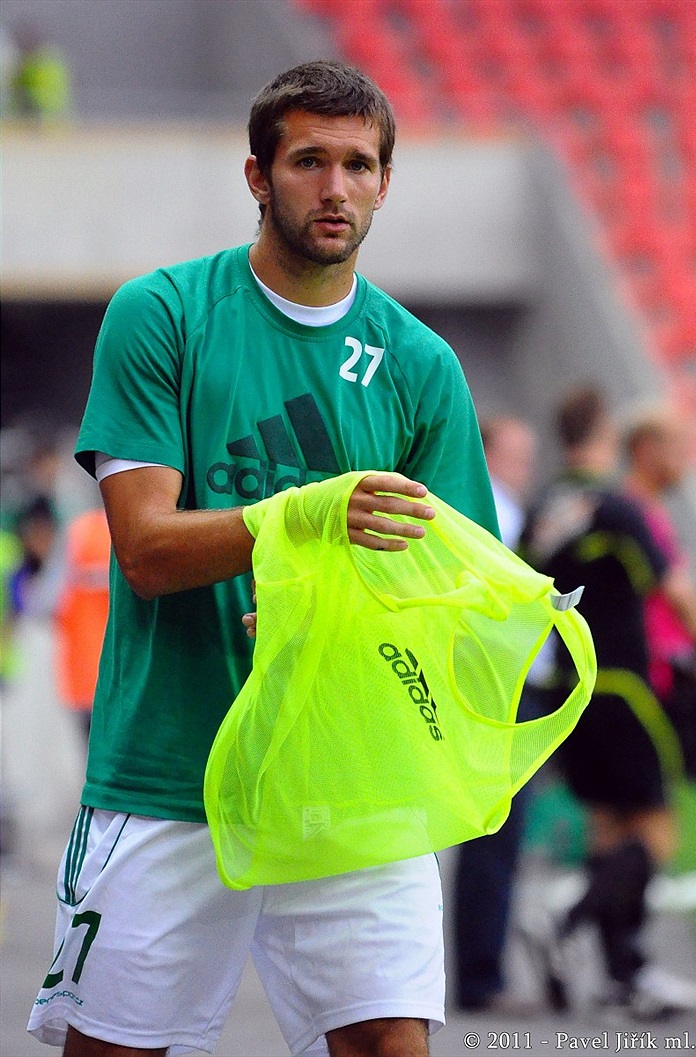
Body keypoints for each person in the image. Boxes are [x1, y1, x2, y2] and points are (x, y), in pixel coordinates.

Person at [28, 60, 499, 1057]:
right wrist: (307, 518)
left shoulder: (419, 364)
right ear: (257, 176)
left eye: (359, 165)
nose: (335, 188)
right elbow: (148, 550)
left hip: (350, 778)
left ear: (384, 183)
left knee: (387, 1046)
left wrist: (345, 620)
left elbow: (460, 590)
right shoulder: (163, 315)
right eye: (308, 161)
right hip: (172, 766)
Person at [520, 384, 696, 1018]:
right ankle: (565, 922)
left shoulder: (542, 508)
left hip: (568, 690)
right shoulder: (619, 507)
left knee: (608, 830)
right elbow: (675, 594)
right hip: (624, 683)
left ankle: (626, 975)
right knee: (657, 829)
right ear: (607, 436)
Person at [452, 414, 541, 1012]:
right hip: (499, 686)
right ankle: (482, 977)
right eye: (515, 453)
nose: (524, 465)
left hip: (505, 684)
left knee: (498, 837)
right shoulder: (492, 511)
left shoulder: (504, 508)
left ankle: (483, 970)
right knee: (495, 835)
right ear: (487, 453)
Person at [622, 403, 696, 780]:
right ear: (647, 448)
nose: (686, 458)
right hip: (661, 675)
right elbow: (679, 596)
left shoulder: (644, 507)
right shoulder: (635, 509)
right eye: (678, 445)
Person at [53, 507, 112, 746]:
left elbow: (50, 602)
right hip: (107, 676)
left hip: (89, 677)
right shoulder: (83, 532)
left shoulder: (79, 532)